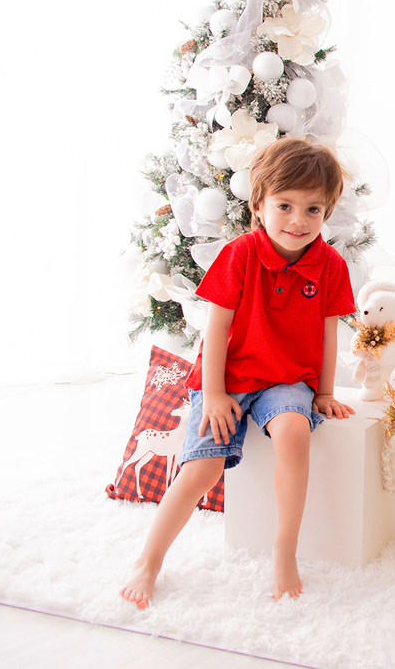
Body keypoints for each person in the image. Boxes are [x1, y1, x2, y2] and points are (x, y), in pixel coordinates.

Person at [120, 138, 356, 608]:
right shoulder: (241, 253)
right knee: (201, 470)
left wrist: (324, 392)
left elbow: (330, 334)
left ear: (327, 212)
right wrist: (211, 394)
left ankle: (284, 549)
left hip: (286, 379)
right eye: (285, 205)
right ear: (259, 203)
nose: (298, 221)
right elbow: (216, 328)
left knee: (294, 433)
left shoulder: (329, 264)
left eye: (313, 210)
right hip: (225, 378)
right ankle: (148, 561)